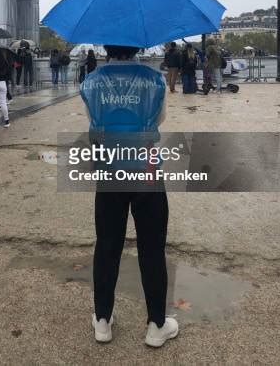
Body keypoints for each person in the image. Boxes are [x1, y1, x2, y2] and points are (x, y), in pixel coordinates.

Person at [80, 44, 177, 348]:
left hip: (109, 169)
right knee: (152, 248)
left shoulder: (91, 81)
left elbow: (93, 121)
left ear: (107, 47)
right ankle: (157, 325)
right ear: (137, 46)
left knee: (107, 245)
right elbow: (159, 120)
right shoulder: (155, 79)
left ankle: (103, 319)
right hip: (144, 169)